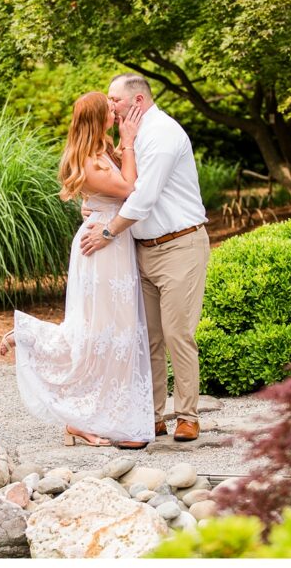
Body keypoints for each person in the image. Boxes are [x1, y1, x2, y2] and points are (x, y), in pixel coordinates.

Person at [0, 91, 155, 449]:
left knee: (116, 332)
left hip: (113, 246)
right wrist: (128, 144)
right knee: (98, 332)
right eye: (110, 111)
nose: (116, 114)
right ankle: (29, 341)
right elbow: (130, 189)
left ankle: (102, 416)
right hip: (100, 249)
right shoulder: (88, 160)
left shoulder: (101, 152)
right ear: (98, 118)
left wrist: (120, 147)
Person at [80, 74, 210, 442]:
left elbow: (143, 196)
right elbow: (113, 186)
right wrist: (93, 209)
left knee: (177, 333)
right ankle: (151, 417)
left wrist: (108, 231)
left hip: (179, 246)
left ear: (136, 101)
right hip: (142, 250)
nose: (110, 107)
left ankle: (187, 416)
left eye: (115, 101)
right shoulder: (131, 138)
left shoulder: (164, 135)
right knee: (148, 338)